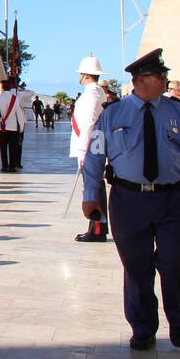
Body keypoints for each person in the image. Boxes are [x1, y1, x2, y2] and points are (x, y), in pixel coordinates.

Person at [81, 48, 180, 351]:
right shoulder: (112, 114)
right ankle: (143, 327)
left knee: (173, 263)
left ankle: (178, 321)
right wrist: (91, 196)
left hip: (173, 199)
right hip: (129, 200)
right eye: (161, 76)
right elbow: (94, 156)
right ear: (142, 80)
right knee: (136, 266)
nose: (166, 80)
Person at [70, 55, 107, 249]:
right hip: (92, 144)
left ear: (84, 75)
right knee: (94, 187)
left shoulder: (92, 94)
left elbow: (88, 124)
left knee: (93, 189)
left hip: (90, 145)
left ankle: (98, 229)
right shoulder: (95, 92)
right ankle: (96, 226)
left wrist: (83, 150)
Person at [0, 79, 26, 172]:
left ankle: (4, 166)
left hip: (2, 126)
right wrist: (21, 126)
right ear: (10, 87)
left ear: (3, 87)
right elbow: (19, 113)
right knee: (13, 148)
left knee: (3, 148)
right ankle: (12, 166)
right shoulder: (14, 98)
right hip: (13, 126)